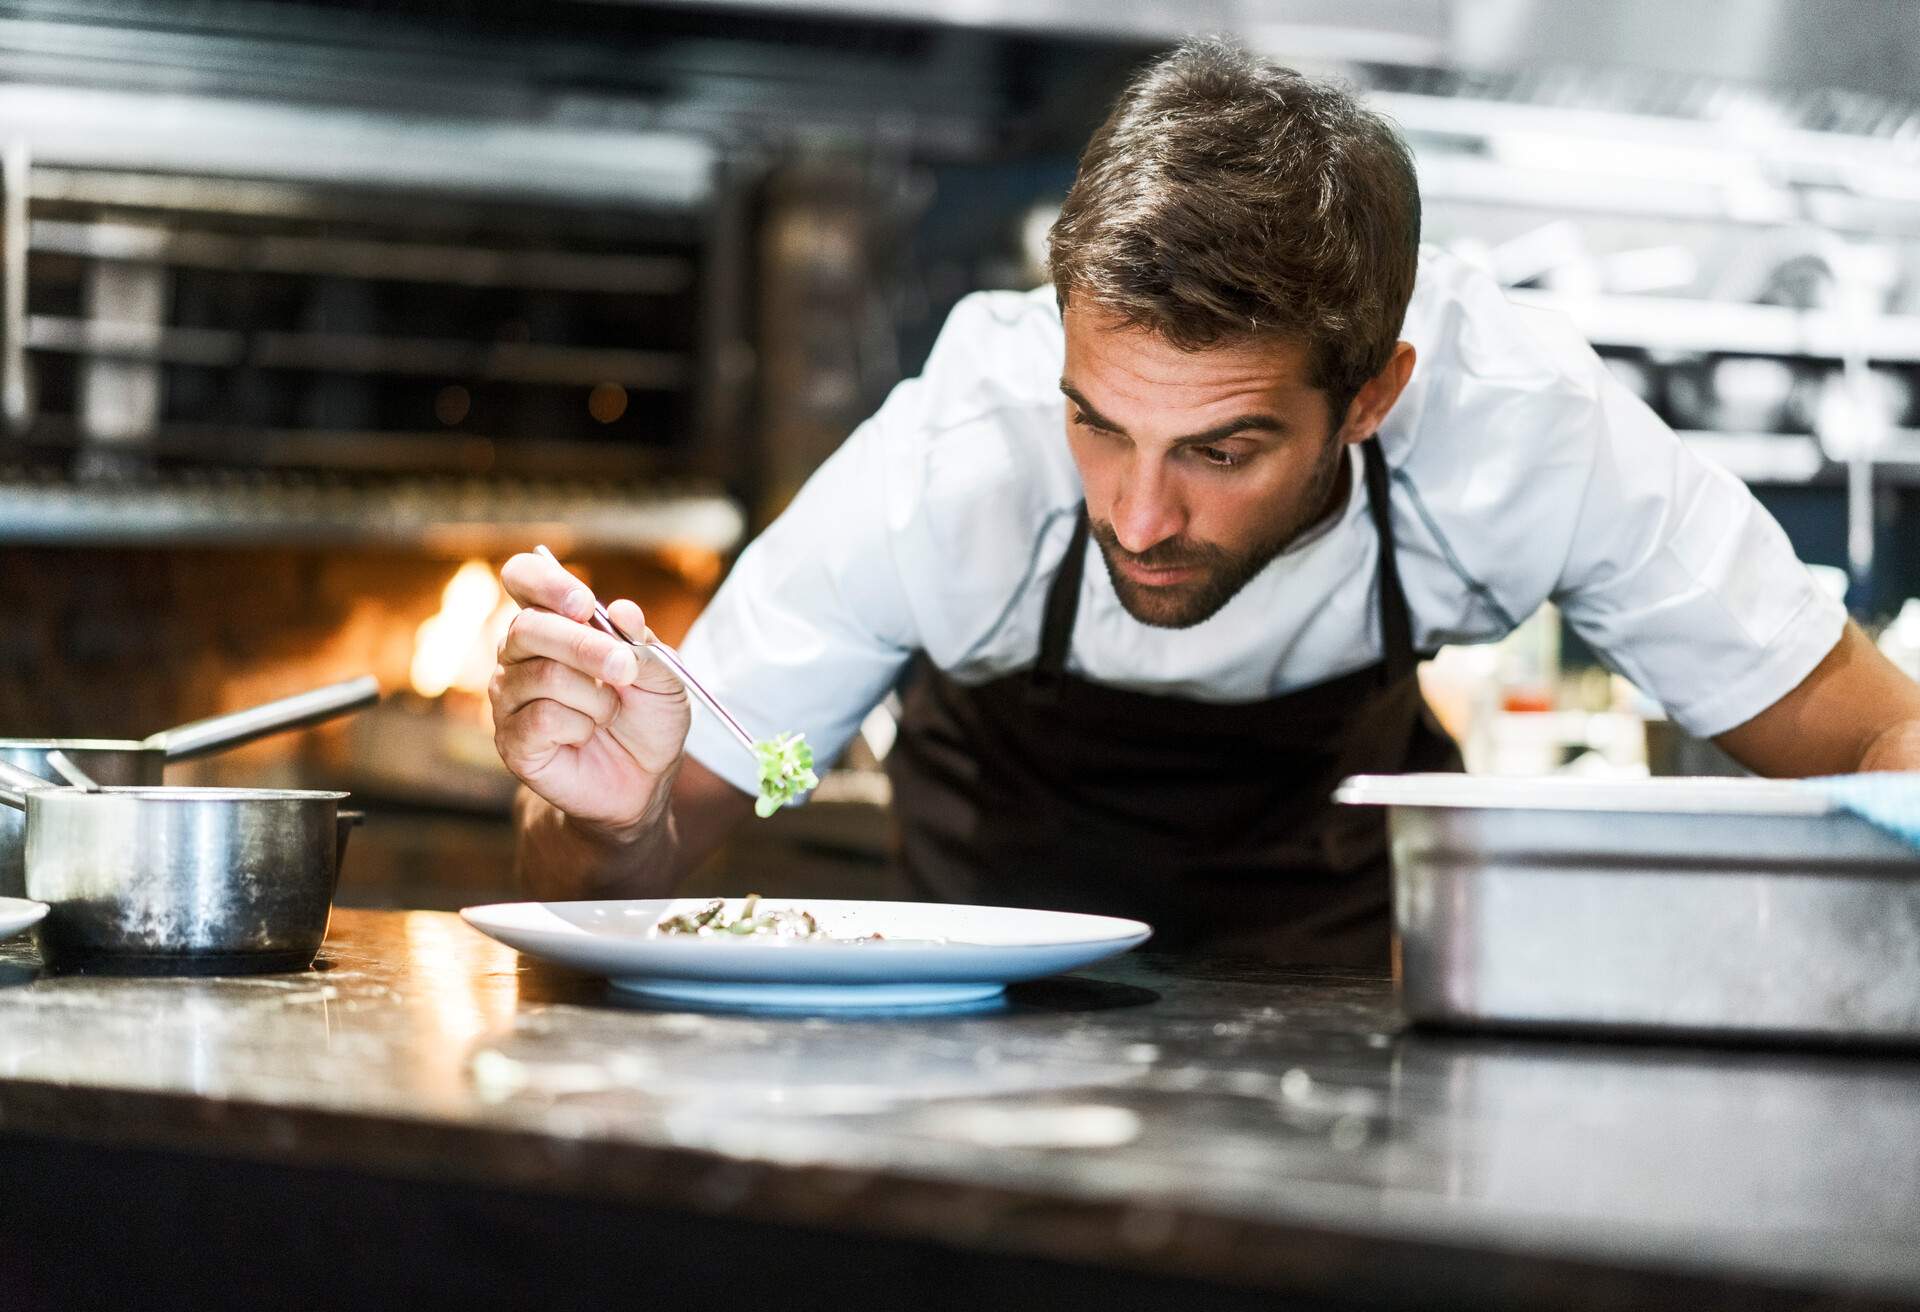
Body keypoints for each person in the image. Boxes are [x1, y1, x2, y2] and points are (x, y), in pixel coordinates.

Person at [488, 40, 1920, 967]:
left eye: (1221, 451)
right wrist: (608, 821)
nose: (1139, 515)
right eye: (1098, 425)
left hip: (1350, 1025)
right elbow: (636, 857)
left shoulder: (1526, 431)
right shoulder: (946, 460)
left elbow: (1874, 731)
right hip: (971, 1021)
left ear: (1371, 398)